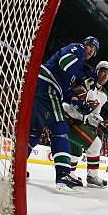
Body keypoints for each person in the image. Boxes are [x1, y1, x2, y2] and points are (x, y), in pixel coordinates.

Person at [28, 36, 99, 192]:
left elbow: (66, 91)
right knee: (60, 127)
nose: (90, 51)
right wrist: (84, 75)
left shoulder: (76, 68)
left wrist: (79, 104)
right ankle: (63, 176)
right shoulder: (76, 48)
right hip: (47, 85)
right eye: (89, 47)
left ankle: (16, 166)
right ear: (84, 44)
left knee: (34, 132)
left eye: (93, 51)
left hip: (41, 86)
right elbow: (64, 62)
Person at [62, 60, 108, 188]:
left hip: (77, 120)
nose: (105, 77)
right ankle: (91, 176)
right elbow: (71, 95)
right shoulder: (85, 80)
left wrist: (103, 124)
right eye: (103, 72)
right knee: (96, 144)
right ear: (97, 71)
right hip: (68, 118)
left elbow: (93, 115)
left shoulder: (102, 95)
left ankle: (71, 174)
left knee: (75, 150)